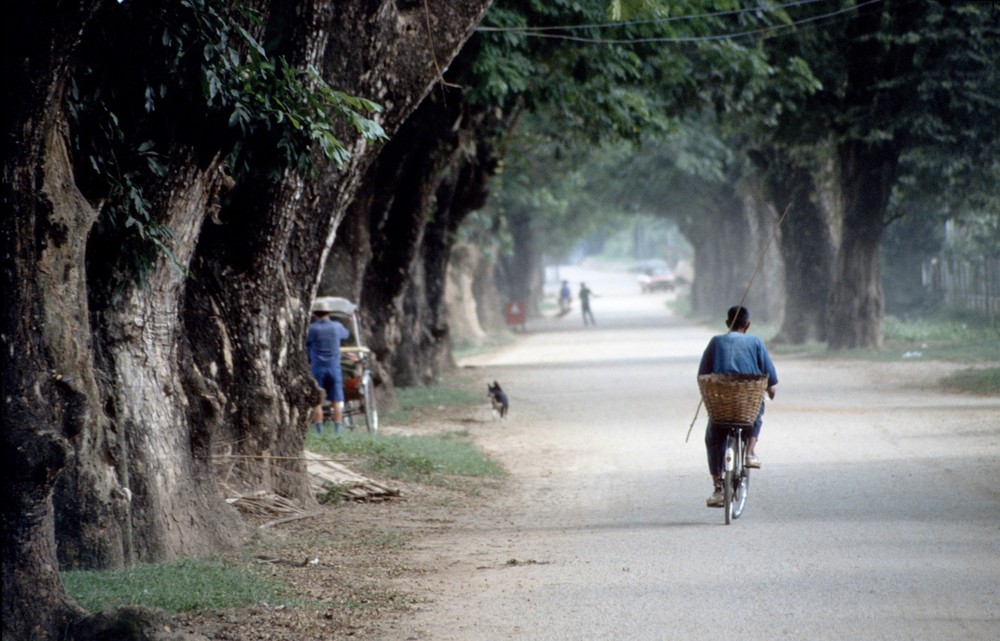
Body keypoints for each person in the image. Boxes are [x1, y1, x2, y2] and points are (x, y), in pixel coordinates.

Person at [698, 305, 778, 507]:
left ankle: (718, 487)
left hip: (721, 403)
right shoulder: (756, 341)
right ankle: (750, 452)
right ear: (747, 324)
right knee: (756, 414)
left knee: (714, 436)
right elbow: (771, 381)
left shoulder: (716, 341)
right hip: (746, 401)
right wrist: (769, 392)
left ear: (727, 323)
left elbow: (702, 375)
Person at [307, 299, 350, 434]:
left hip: (317, 368)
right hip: (334, 367)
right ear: (329, 313)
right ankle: (338, 431)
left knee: (317, 401)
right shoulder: (337, 326)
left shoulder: (312, 329)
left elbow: (306, 343)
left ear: (315, 314)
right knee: (337, 400)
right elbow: (346, 334)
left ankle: (319, 432)